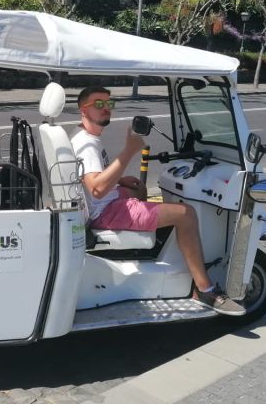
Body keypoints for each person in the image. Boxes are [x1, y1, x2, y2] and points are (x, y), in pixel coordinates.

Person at [70, 86, 245, 316]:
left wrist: (121, 180)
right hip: (105, 211)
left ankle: (150, 249)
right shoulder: (88, 145)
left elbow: (91, 178)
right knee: (186, 214)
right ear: (84, 110)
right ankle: (204, 290)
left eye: (109, 104)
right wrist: (130, 150)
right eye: (99, 104)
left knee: (139, 189)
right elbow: (97, 189)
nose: (106, 109)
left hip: (105, 204)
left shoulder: (85, 137)